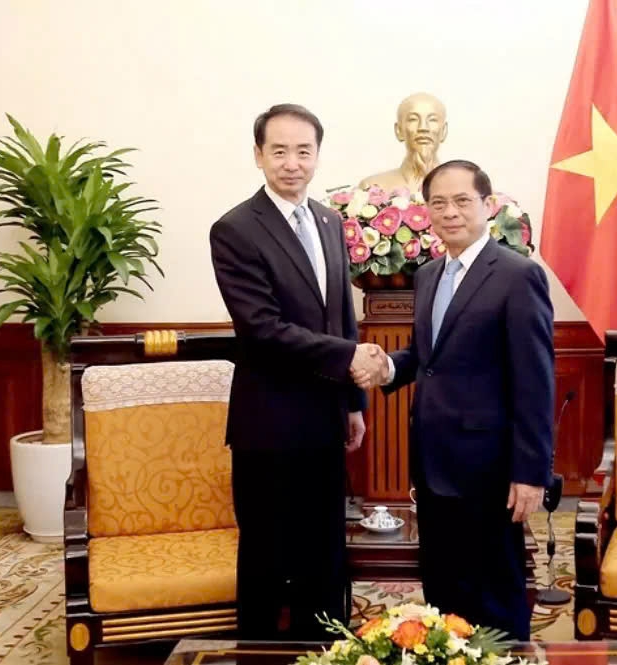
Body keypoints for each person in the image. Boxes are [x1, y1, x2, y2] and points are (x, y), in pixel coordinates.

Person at [353, 160, 555, 640]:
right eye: (438, 203)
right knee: (444, 586)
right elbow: (428, 356)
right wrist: (388, 368)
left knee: (496, 588)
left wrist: (531, 473)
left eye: (462, 201)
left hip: (491, 467)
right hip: (432, 461)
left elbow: (535, 380)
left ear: (487, 205)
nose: (450, 212)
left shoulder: (517, 275)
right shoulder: (428, 275)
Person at [210, 103, 388, 640]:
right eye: (279, 151)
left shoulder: (330, 221)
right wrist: (348, 360)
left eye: (303, 151)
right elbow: (262, 328)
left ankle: (324, 646)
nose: (292, 163)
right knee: (267, 551)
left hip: (324, 418)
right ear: (258, 155)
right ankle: (260, 652)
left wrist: (353, 405)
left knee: (323, 547)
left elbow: (341, 318)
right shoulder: (235, 229)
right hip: (268, 423)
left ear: (317, 155)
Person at [357, 92, 448, 193]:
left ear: (444, 131)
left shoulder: (465, 187)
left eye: (432, 120)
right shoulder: (373, 188)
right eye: (413, 119)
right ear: (399, 130)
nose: (423, 127)